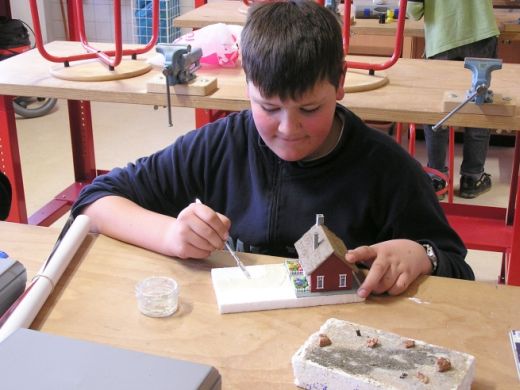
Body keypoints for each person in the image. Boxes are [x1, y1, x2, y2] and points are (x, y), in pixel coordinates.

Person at [71, 0, 474, 299]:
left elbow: (458, 269)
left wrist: (422, 255)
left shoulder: (386, 168)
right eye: (268, 107)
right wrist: (171, 234)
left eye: (310, 108)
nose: (288, 129)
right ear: (247, 83)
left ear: (340, 83)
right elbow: (94, 202)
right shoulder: (220, 146)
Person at [407, 0, 500, 199]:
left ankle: (437, 178)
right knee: (479, 106)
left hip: (443, 36)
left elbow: (413, 10)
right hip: (480, 32)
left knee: (439, 111)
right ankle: (472, 178)